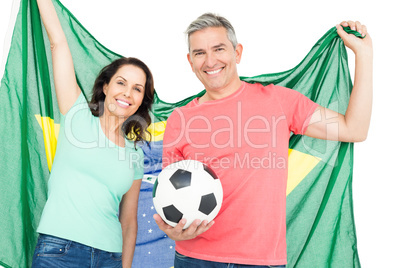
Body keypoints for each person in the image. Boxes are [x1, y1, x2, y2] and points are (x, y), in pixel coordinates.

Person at [153, 13, 373, 267]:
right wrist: (173, 230)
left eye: (219, 48)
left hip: (262, 261)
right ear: (190, 62)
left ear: (237, 53)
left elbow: (354, 129)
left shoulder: (279, 101)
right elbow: (169, 193)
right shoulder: (180, 119)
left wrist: (364, 56)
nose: (210, 60)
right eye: (200, 53)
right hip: (194, 258)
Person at [31, 0, 154, 267]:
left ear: (142, 99)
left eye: (137, 88)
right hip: (58, 252)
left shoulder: (134, 154)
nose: (127, 93)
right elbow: (59, 43)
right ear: (106, 86)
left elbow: (129, 221)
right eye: (121, 83)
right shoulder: (77, 116)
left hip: (109, 257)